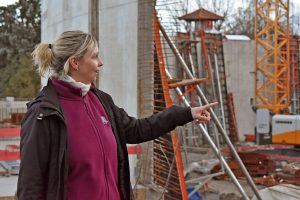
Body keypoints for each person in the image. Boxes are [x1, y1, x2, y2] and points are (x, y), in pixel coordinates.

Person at [17, 30, 217, 200]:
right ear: (75, 62)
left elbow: (138, 129)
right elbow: (30, 186)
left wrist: (186, 113)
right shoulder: (44, 114)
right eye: (95, 56)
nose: (100, 62)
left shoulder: (102, 101)